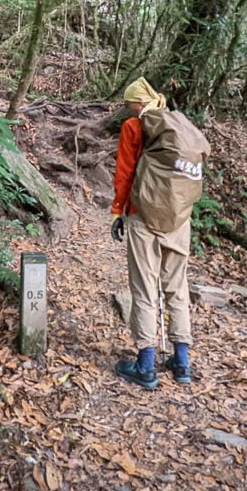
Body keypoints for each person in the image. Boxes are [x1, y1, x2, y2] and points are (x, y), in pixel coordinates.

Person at [109, 77, 194, 388]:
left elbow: (125, 171)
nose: (127, 110)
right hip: (179, 218)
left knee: (144, 288)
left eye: (130, 105)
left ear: (140, 104)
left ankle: (145, 367)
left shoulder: (135, 127)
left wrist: (118, 210)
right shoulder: (178, 125)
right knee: (177, 287)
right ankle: (181, 362)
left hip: (143, 217)